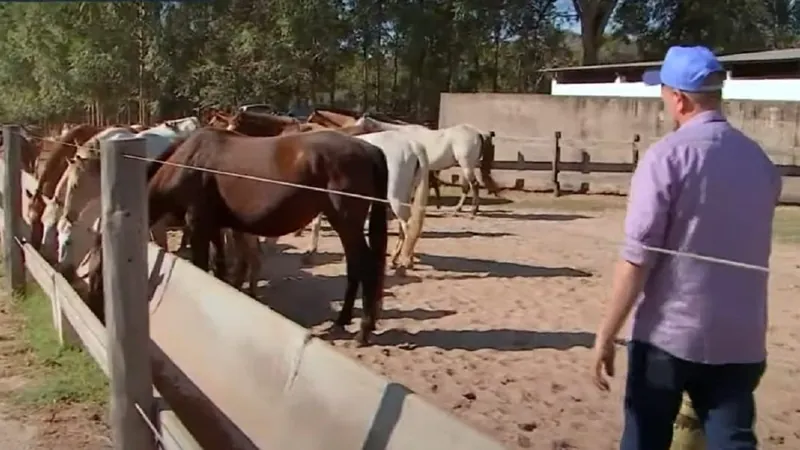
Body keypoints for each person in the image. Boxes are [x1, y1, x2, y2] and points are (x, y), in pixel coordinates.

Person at [590, 45, 782, 450]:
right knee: (733, 439)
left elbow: (637, 257)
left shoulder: (666, 158)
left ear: (678, 98)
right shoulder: (759, 161)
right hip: (741, 338)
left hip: (669, 337)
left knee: (645, 438)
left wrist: (606, 334)